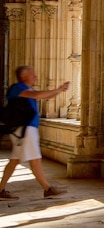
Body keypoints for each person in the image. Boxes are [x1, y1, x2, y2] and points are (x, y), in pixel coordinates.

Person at [0, 66, 69, 200]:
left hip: (24, 130)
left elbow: (44, 95)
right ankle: (48, 189)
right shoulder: (18, 88)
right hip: (25, 130)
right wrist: (58, 89)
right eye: (32, 74)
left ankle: (0, 190)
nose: (35, 77)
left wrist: (60, 90)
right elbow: (37, 95)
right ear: (23, 76)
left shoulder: (27, 89)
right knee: (35, 160)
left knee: (14, 161)